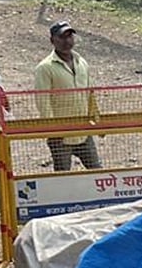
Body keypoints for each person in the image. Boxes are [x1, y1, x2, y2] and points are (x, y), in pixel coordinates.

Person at [32, 21, 102, 171]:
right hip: (61, 135)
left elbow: (90, 94)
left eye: (70, 36)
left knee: (97, 171)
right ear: (52, 40)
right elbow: (43, 102)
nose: (67, 41)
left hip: (83, 130)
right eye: (62, 37)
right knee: (62, 175)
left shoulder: (81, 62)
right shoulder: (45, 68)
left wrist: (96, 120)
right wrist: (53, 131)